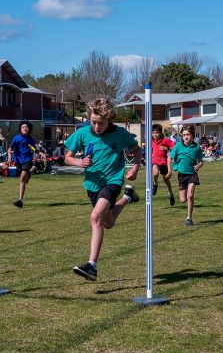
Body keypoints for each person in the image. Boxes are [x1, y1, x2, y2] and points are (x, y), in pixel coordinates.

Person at [63, 97, 141, 281]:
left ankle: (92, 266)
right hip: (92, 184)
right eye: (93, 122)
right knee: (108, 222)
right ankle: (128, 197)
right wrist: (79, 162)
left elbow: (136, 149)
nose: (97, 127)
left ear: (109, 120)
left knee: (95, 217)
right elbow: (67, 157)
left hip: (113, 181)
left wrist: (135, 167)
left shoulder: (120, 134)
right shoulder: (82, 134)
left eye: (101, 123)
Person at [169, 124, 204, 227]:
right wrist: (170, 170)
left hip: (192, 175)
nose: (186, 137)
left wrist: (199, 165)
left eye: (188, 134)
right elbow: (170, 157)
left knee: (190, 195)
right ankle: (186, 207)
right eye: (184, 135)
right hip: (182, 175)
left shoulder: (197, 147)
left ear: (192, 136)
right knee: (183, 200)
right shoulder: (178, 146)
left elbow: (201, 161)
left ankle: (189, 218)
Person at [7, 120, 38, 208]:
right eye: (23, 127)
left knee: (21, 179)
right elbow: (10, 149)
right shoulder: (16, 138)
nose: (25, 128)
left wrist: (40, 153)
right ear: (20, 129)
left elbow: (33, 148)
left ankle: (20, 200)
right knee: (25, 180)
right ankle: (32, 170)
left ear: (29, 129)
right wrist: (9, 157)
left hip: (27, 160)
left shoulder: (30, 140)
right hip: (18, 161)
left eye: (26, 127)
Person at [149, 124, 176, 207]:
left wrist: (167, 149)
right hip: (154, 162)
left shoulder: (165, 140)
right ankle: (155, 183)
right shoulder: (151, 141)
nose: (155, 135)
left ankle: (170, 193)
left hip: (164, 163)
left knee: (166, 180)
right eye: (153, 133)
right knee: (155, 173)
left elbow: (175, 147)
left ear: (160, 133)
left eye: (157, 133)